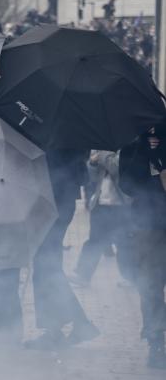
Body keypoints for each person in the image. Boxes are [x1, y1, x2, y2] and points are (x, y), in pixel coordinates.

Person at [26, 148, 99, 349]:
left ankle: (61, 329)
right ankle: (65, 326)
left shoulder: (58, 129)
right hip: (58, 196)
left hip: (53, 196)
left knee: (45, 265)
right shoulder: (64, 125)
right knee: (46, 265)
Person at [119, 126, 166, 369]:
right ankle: (156, 340)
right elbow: (126, 184)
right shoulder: (134, 141)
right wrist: (144, 150)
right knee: (150, 284)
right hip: (149, 223)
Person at [73, 150, 133, 285]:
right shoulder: (103, 148)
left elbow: (116, 169)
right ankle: (83, 275)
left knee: (125, 242)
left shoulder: (126, 147)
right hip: (101, 202)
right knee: (95, 239)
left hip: (120, 203)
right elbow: (93, 178)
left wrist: (104, 155)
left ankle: (131, 277)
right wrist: (93, 164)